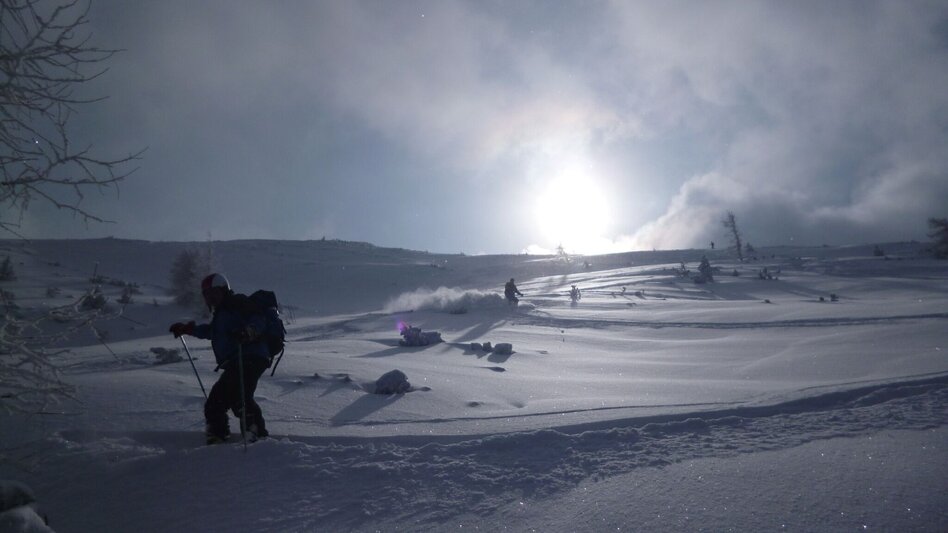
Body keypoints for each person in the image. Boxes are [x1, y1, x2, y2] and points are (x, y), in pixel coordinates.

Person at [170, 273, 270, 444]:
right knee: (222, 400)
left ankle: (252, 435)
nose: (211, 298)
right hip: (238, 360)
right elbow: (213, 332)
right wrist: (188, 329)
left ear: (224, 290)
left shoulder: (237, 303)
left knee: (237, 397)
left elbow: (259, 319)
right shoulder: (222, 313)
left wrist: (249, 332)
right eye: (207, 295)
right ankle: (223, 435)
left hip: (250, 356)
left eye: (214, 293)